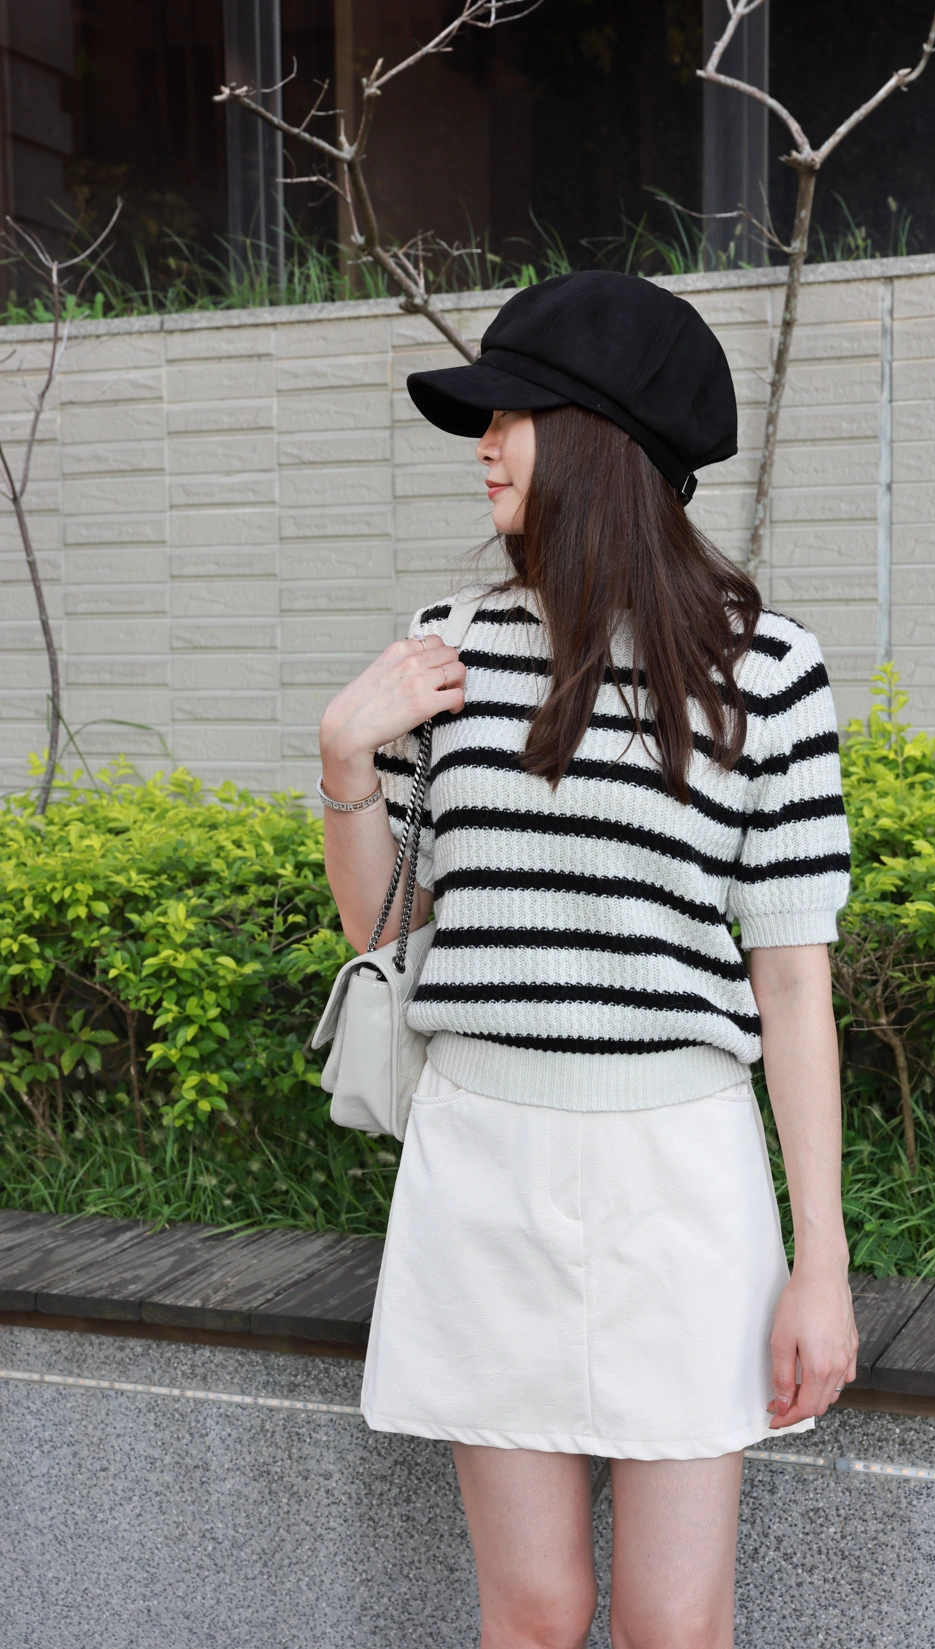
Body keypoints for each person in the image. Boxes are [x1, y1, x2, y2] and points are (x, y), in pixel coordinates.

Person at [318, 271, 857, 1649]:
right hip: (482, 1164)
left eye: (511, 416)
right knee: (536, 1610)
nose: (484, 445)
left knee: (673, 1623)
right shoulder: (452, 652)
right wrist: (345, 766)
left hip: (681, 1174)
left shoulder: (767, 671)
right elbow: (388, 933)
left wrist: (822, 1264)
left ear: (600, 443)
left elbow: (794, 982)